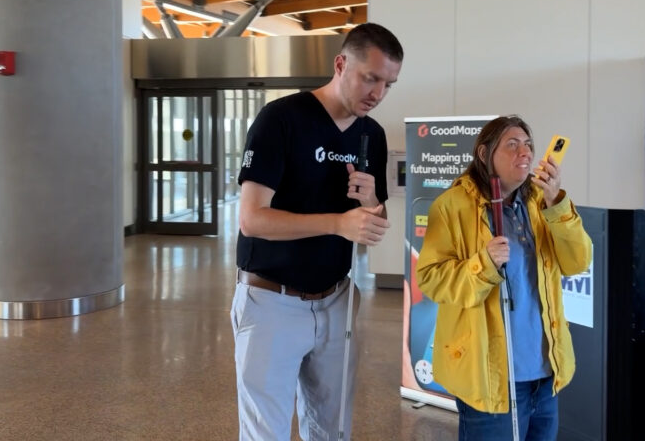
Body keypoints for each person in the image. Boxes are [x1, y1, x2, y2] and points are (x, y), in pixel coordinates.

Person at [232, 23, 404, 441]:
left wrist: (369, 205)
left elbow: (375, 225)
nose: (378, 93)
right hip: (272, 299)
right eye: (371, 77)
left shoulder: (372, 135)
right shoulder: (282, 119)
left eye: (388, 84)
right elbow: (252, 219)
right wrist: (337, 223)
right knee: (265, 433)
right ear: (341, 63)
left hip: (336, 301)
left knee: (332, 430)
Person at [416, 115, 592, 441]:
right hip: (490, 377)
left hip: (544, 373)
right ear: (484, 154)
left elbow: (577, 262)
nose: (523, 152)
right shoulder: (452, 206)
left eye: (528, 145)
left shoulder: (542, 203)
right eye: (512, 145)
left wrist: (557, 204)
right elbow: (430, 278)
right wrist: (482, 265)